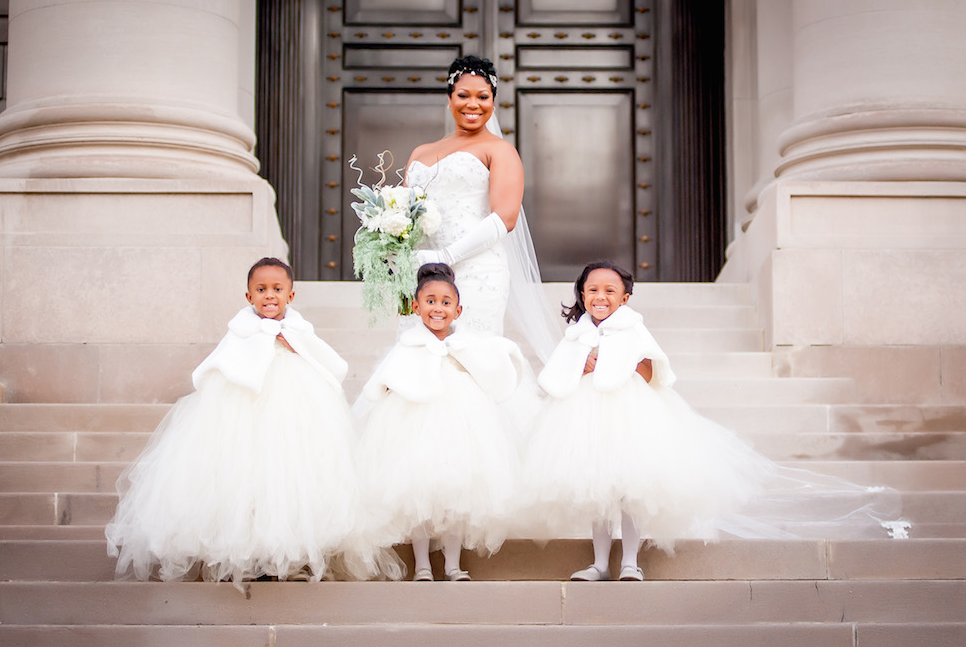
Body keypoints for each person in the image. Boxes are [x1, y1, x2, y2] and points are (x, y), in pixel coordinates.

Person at [522, 260, 906, 582]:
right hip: (585, 420)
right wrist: (582, 363)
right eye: (592, 290)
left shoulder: (632, 327)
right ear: (582, 294)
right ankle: (599, 563)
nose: (600, 297)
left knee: (630, 489)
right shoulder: (578, 333)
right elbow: (560, 371)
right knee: (597, 492)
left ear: (625, 297)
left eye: (609, 291)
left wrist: (612, 364)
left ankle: (630, 562)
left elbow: (651, 370)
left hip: (630, 416)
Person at [105, 258, 363, 589]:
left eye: (277, 289)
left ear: (291, 295)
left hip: (293, 414)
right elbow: (215, 367)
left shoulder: (300, 331)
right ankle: (247, 557)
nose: (269, 296)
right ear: (248, 296)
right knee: (246, 483)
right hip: (244, 415)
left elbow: (326, 362)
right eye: (261, 290)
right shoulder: (240, 330)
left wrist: (293, 348)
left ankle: (288, 557)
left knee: (288, 482)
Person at [354, 264, 527, 581]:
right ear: (416, 306)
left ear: (458, 310)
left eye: (446, 302)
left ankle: (452, 563)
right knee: (417, 490)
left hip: (461, 420)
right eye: (430, 301)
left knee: (457, 490)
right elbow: (385, 379)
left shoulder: (465, 344)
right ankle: (422, 563)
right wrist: (392, 386)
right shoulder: (409, 344)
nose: (438, 308)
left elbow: (488, 371)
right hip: (414, 423)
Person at [405, 55, 560, 360]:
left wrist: (446, 256)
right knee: (418, 355)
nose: (473, 104)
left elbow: (505, 218)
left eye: (483, 97)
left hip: (477, 270)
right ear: (450, 98)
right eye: (463, 95)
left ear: (493, 101)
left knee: (471, 358)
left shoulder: (499, 151)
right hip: (422, 271)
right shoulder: (420, 152)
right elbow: (406, 214)